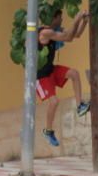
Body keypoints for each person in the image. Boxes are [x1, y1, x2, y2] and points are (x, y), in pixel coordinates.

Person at [37, 9, 90, 147]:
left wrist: (84, 21)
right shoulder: (44, 32)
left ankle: (80, 106)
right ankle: (48, 131)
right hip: (41, 77)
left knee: (74, 73)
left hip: (51, 69)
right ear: (53, 18)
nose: (61, 20)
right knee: (54, 101)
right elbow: (67, 36)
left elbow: (74, 35)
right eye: (60, 18)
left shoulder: (55, 30)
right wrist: (77, 17)